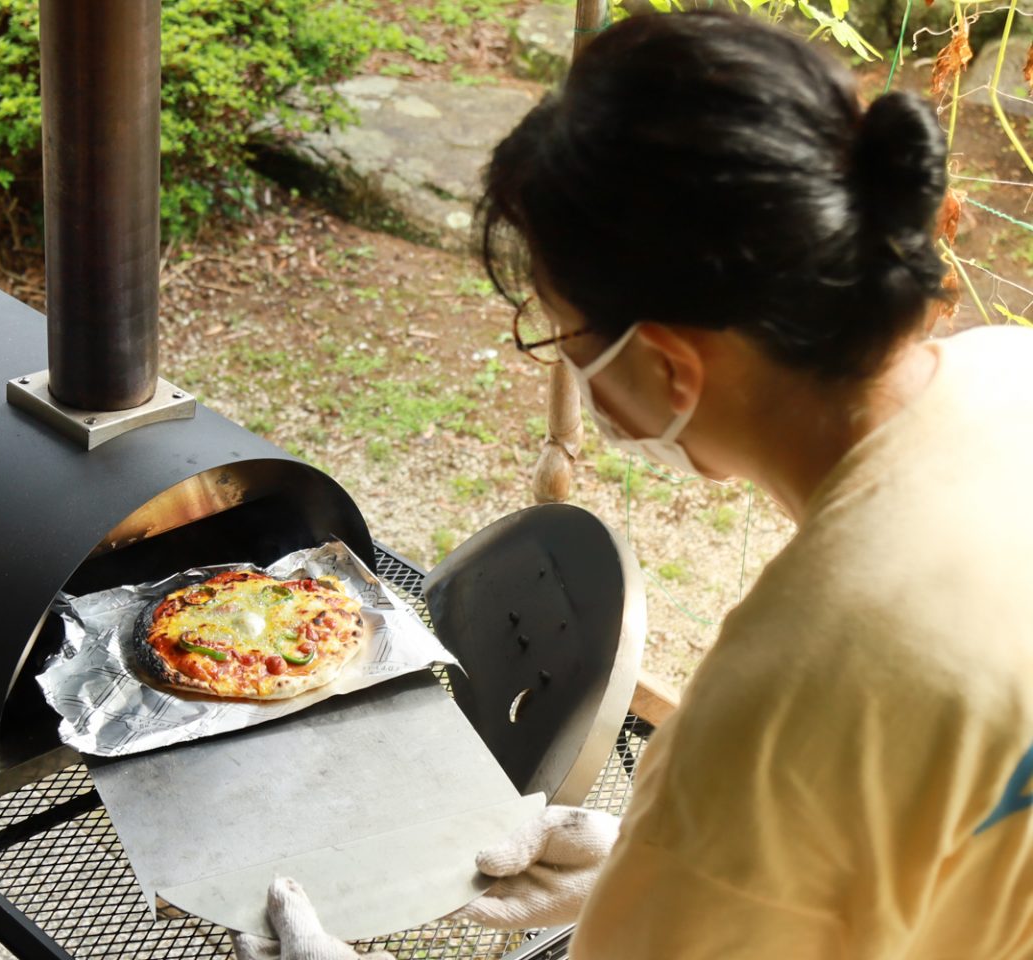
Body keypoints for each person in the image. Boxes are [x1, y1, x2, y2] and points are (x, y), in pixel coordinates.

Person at [234, 9, 1033, 959]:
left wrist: (706, 853)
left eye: (565, 338)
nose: (572, 371)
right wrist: (664, 872)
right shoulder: (1010, 371)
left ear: (665, 366)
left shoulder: (786, 700)